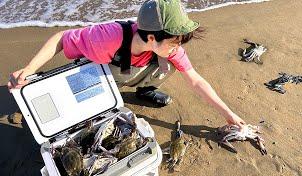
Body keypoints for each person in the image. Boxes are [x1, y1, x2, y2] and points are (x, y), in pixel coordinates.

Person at [7, 0, 246, 128]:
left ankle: (144, 89)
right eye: (174, 40)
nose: (179, 46)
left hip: (132, 70)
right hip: (102, 73)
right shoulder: (106, 38)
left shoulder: (167, 47)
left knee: (172, 64)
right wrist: (29, 70)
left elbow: (195, 80)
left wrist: (228, 114)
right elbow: (62, 38)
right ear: (151, 37)